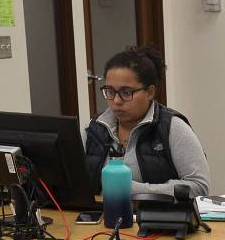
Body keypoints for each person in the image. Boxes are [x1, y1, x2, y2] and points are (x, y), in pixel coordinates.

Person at [84, 44, 211, 198]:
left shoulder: (172, 127)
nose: (116, 100)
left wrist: (138, 190)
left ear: (150, 92)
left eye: (126, 92)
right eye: (110, 91)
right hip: (103, 218)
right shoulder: (94, 128)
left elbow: (199, 186)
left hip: (158, 219)